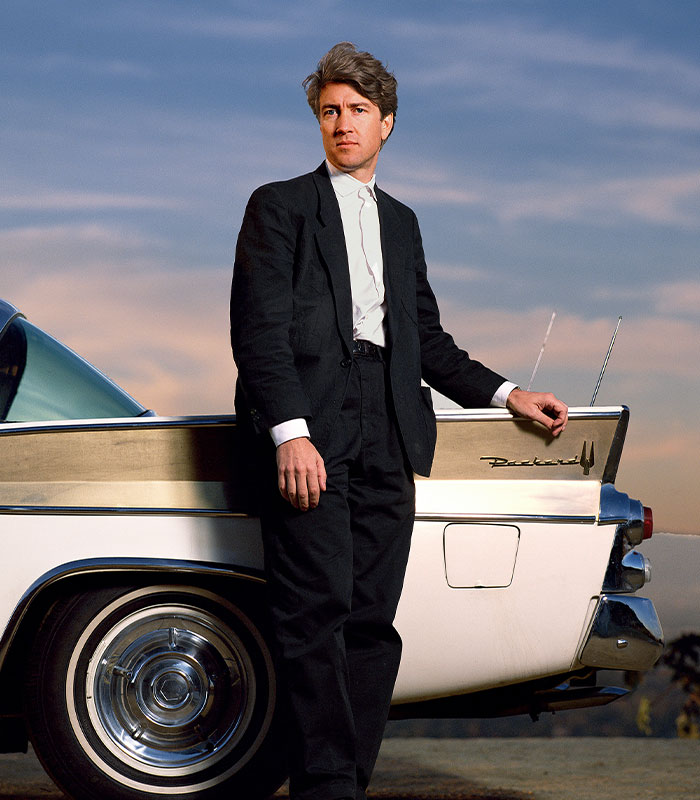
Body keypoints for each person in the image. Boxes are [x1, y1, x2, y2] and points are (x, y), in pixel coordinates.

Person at [230, 42, 567, 800]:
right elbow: (258, 332)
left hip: (393, 421)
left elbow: (428, 340)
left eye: (356, 111)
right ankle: (327, 788)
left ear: (387, 123)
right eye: (329, 112)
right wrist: (291, 432)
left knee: (372, 621)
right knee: (314, 612)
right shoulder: (278, 205)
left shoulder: (404, 223)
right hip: (312, 425)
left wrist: (507, 392)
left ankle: (347, 778)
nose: (341, 124)